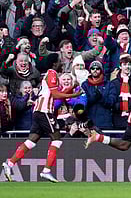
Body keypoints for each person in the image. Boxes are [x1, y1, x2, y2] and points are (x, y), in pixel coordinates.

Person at [2, 53, 82, 182]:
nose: (61, 63)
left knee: (31, 141)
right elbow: (55, 95)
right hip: (45, 111)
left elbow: (53, 93)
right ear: (54, 64)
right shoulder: (52, 74)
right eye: (59, 61)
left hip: (38, 111)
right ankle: (46, 171)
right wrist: (74, 94)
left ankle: (9, 164)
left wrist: (71, 88)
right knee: (57, 139)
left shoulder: (48, 75)